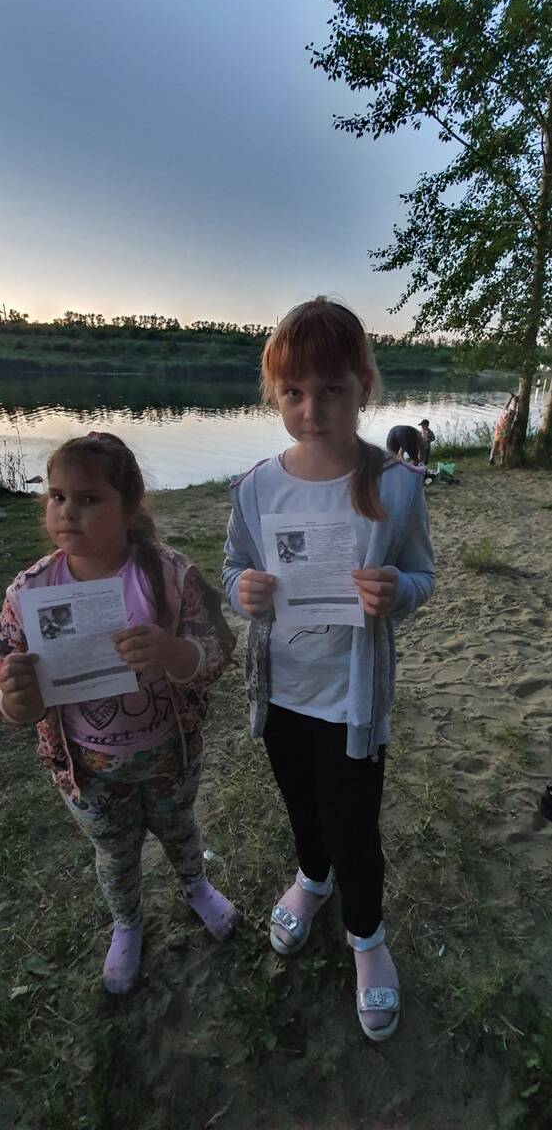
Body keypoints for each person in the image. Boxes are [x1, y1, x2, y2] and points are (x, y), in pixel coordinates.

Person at [222, 297, 435, 1042]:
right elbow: (234, 567)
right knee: (301, 805)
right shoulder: (254, 486)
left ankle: (367, 937)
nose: (312, 410)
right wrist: (242, 592)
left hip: (352, 701)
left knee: (355, 827)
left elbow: (422, 575)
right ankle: (311, 880)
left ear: (362, 387)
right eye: (294, 392)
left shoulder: (396, 485)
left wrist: (396, 591)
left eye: (331, 390)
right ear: (275, 395)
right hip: (282, 693)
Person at [0, 431, 238, 994]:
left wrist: (173, 652)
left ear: (129, 507)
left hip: (169, 752)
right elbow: (2, 675)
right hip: (88, 769)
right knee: (114, 851)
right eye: (57, 496)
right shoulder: (30, 592)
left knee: (179, 827)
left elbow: (219, 646)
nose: (67, 511)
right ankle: (127, 923)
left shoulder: (168, 576)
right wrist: (13, 701)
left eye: (88, 498)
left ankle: (196, 886)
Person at [489, 393, 519, 465]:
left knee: (495, 446)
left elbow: (506, 406)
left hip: (498, 432)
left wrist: (511, 398)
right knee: (503, 448)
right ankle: (502, 461)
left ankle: (491, 458)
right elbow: (514, 408)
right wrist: (515, 401)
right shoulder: (511, 417)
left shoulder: (503, 413)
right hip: (505, 434)